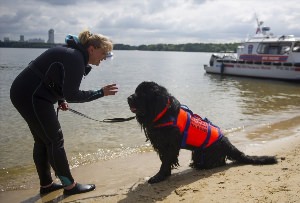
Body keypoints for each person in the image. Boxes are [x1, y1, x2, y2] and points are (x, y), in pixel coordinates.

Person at [10, 30, 118, 196]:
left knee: (43, 140)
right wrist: (100, 92)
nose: (104, 57)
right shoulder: (75, 58)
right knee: (55, 139)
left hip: (26, 93)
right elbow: (73, 94)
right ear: (91, 49)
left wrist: (61, 99)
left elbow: (55, 78)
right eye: (103, 53)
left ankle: (46, 185)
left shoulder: (73, 53)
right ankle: (70, 186)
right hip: (33, 96)